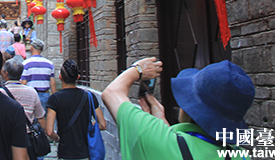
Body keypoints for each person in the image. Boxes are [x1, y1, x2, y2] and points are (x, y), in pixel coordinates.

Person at [101, 58, 255, 160]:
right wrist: (161, 122)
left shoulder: (152, 137)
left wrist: (138, 69)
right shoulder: (240, 155)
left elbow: (111, 93)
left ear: (188, 107)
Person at [46, 60, 107, 160]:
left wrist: (57, 138)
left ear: (60, 77)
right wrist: (89, 126)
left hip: (65, 153)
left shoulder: (55, 99)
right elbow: (103, 125)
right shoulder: (89, 96)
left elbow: (49, 131)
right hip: (85, 153)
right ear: (78, 77)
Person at [0, 59, 47, 160]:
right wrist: (46, 134)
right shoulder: (32, 92)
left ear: (5, 73)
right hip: (27, 138)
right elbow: (40, 118)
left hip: (5, 138)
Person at [21, 39, 56, 110]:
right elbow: (52, 83)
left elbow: (24, 82)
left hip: (30, 95)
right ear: (42, 50)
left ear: (31, 48)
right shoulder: (49, 64)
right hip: (45, 95)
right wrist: (55, 99)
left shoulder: (25, 63)